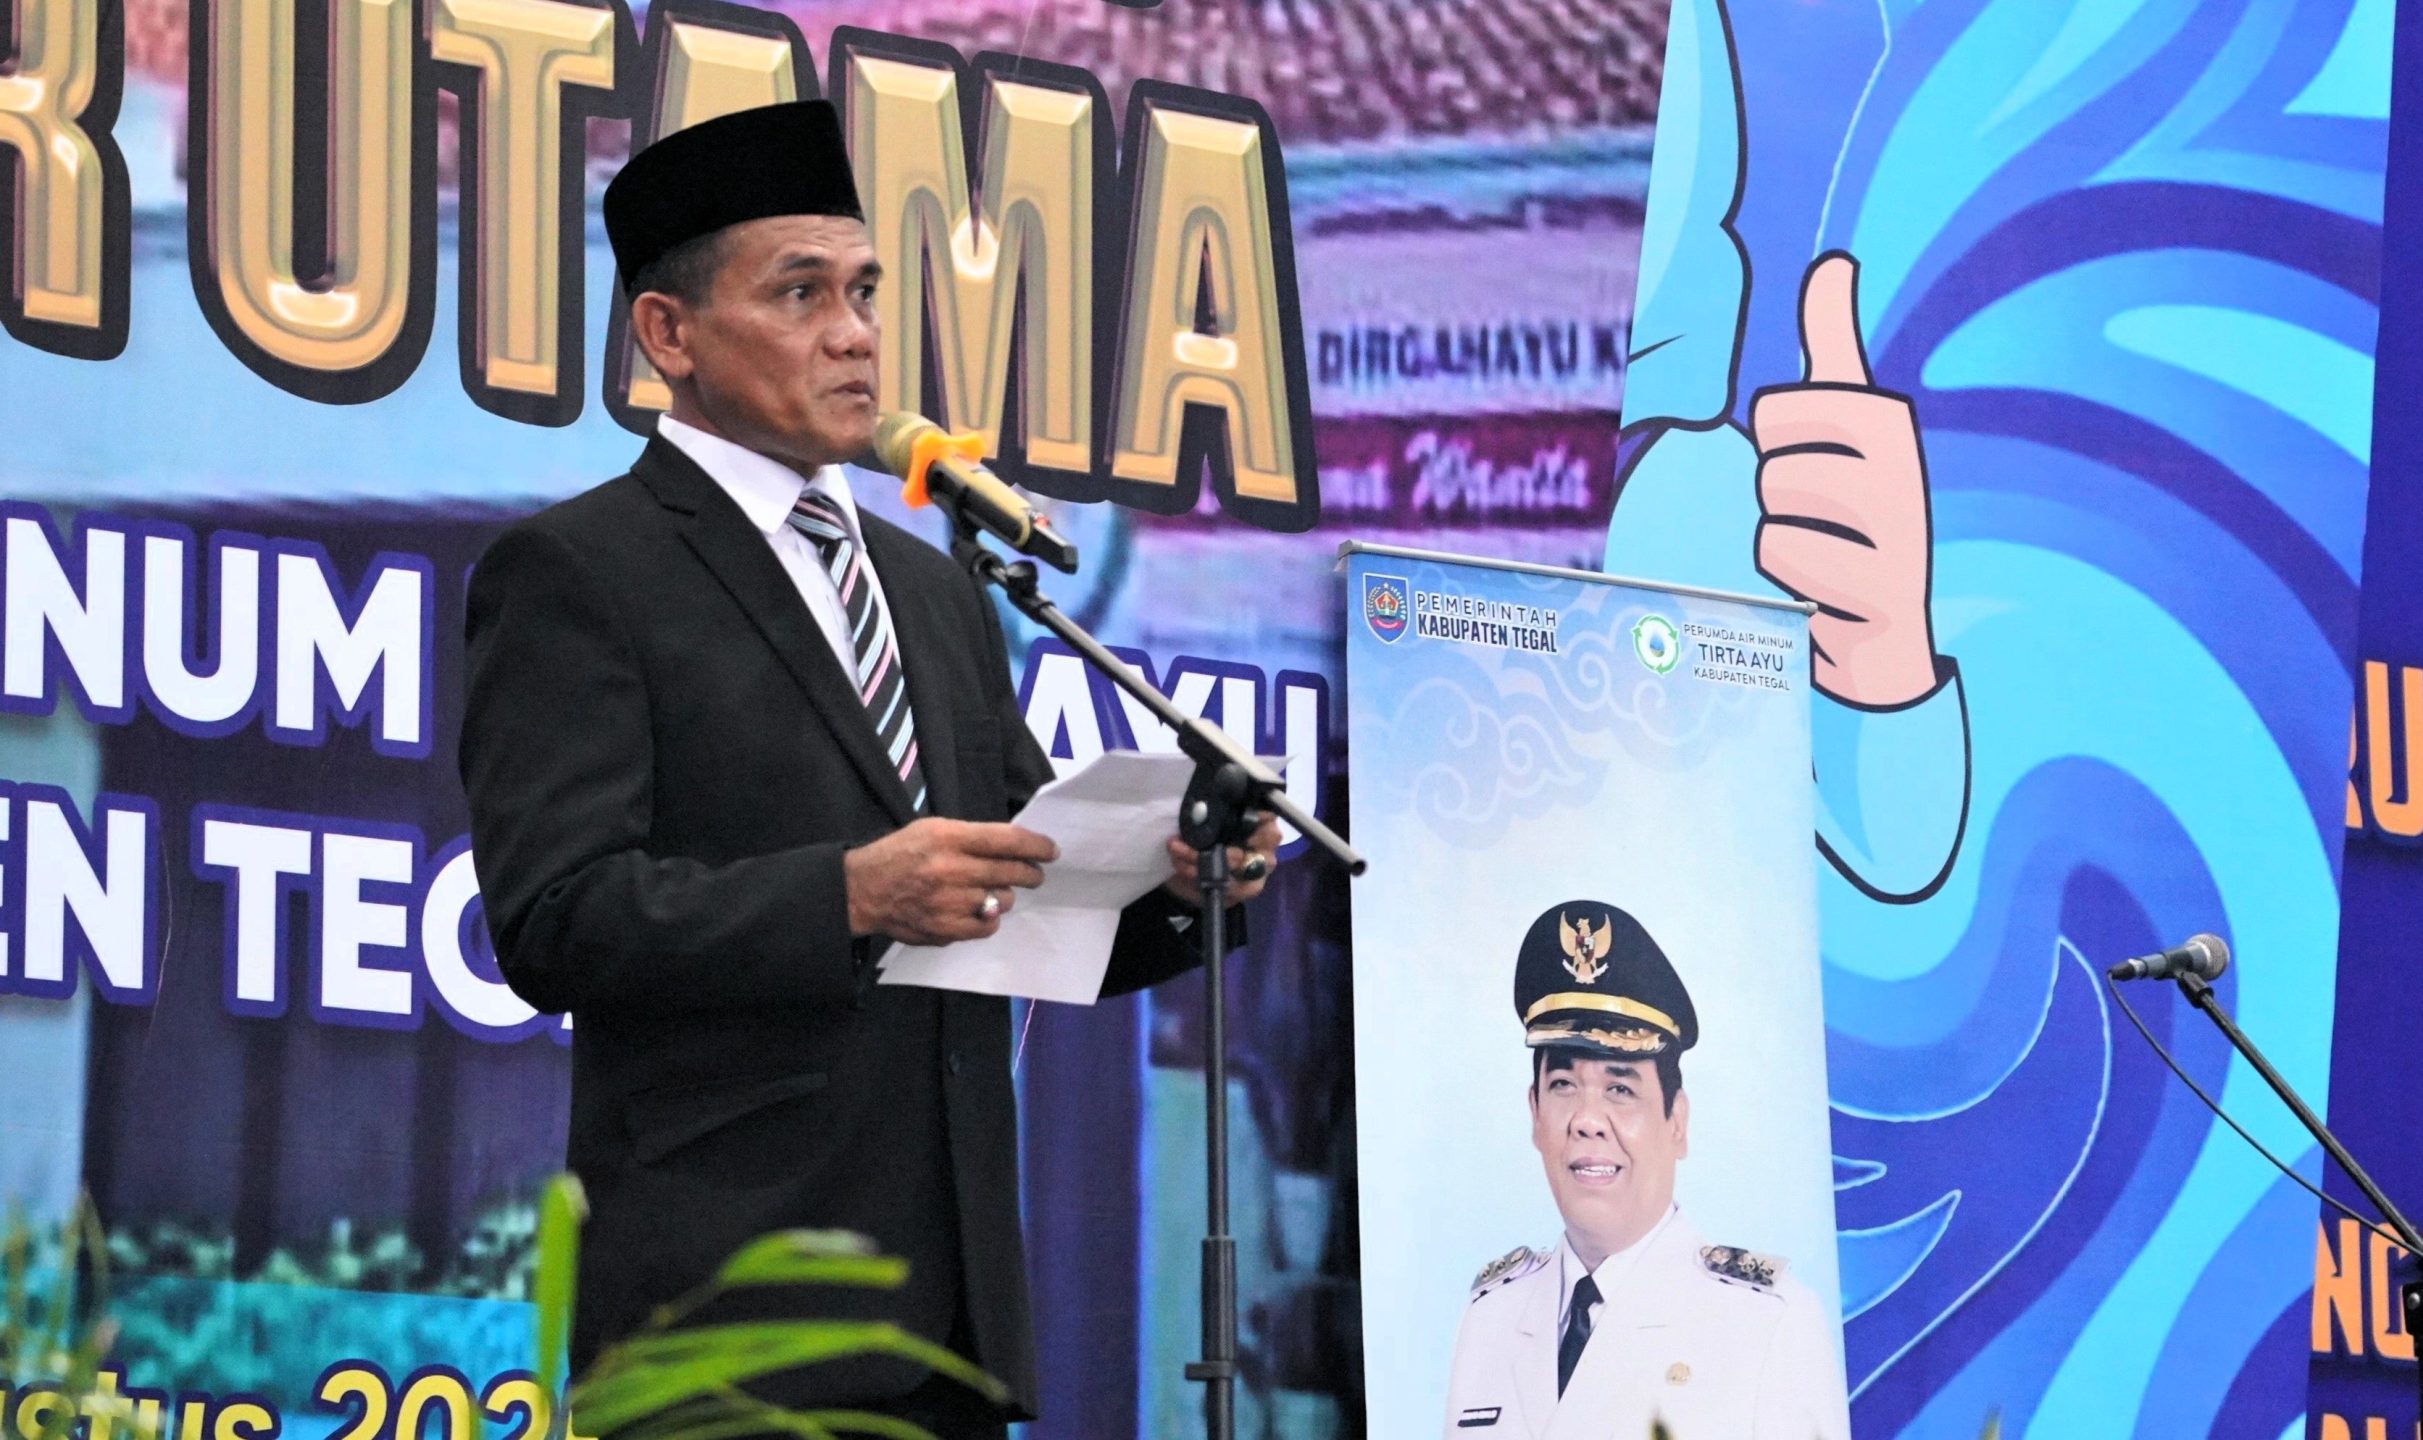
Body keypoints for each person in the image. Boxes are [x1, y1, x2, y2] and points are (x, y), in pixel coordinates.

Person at [456, 99, 1279, 1437]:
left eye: (864, 293)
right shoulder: (582, 572)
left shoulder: (934, 586)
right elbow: (555, 918)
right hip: (725, 1320)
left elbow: (1019, 888)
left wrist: (1182, 886)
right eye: (800, 294)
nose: (855, 334)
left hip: (945, 1319)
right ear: (669, 334)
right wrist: (845, 894)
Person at [1442, 901, 1849, 1439]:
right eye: (1563, 1085)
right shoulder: (1491, 1317)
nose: (1588, 1120)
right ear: (1535, 1113)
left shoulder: (1768, 1326)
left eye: (1620, 1088)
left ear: (1676, 1121)